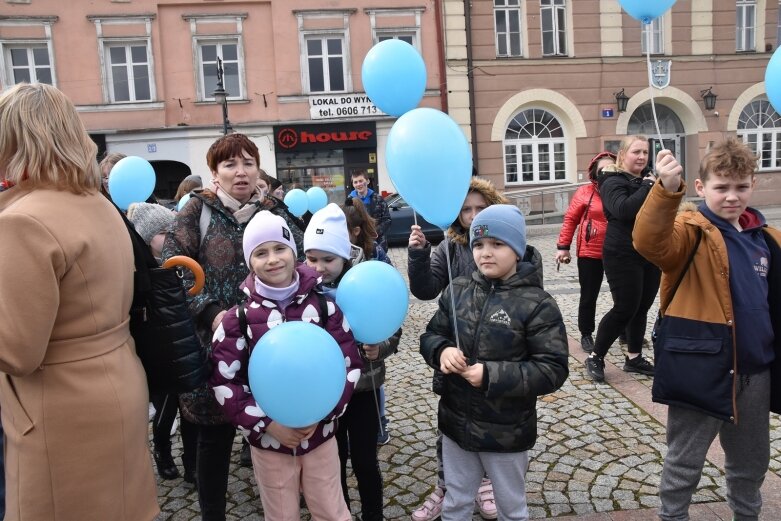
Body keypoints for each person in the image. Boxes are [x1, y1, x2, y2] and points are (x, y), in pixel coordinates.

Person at [0, 83, 159, 520]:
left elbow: (16, 349)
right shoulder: (99, 204)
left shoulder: (21, 221)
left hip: (60, 407)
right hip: (117, 381)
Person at [633, 140, 781, 520]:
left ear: (752, 184)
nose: (732, 197)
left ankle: (747, 515)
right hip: (700, 366)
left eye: (741, 187)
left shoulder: (767, 239)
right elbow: (650, 242)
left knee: (751, 460)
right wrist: (665, 192)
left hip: (755, 371)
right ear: (701, 188)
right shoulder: (689, 231)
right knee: (685, 459)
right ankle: (673, 515)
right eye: (721, 187)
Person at [162, 132, 305, 521]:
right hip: (217, 345)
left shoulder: (275, 210)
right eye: (230, 164)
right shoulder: (197, 211)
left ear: (258, 168)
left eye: (247, 163)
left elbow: (305, 263)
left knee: (280, 425)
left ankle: (289, 504)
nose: (240, 173)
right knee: (215, 435)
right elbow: (173, 270)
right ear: (214, 173)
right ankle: (213, 513)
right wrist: (210, 314)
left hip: (273, 344)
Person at [210, 210, 363, 520]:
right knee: (281, 515)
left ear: (294, 254)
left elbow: (348, 365)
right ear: (248, 261)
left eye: (280, 249)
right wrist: (269, 425)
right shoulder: (237, 320)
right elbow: (226, 382)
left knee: (332, 510)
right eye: (261, 252)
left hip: (320, 435)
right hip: (270, 442)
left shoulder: (324, 308)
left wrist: (323, 415)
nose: (273, 259)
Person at [420, 204, 569, 520]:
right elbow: (431, 335)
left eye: (497, 244)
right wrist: (442, 351)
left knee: (511, 507)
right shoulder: (458, 290)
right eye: (478, 244)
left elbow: (552, 369)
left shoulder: (538, 304)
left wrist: (492, 375)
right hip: (455, 423)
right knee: (456, 502)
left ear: (516, 249)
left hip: (506, 432)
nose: (486, 252)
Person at [407, 177, 512, 521]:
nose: (473, 215)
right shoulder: (449, 248)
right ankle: (446, 486)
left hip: (495, 355)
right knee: (451, 424)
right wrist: (419, 254)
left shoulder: (507, 246)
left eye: (480, 208)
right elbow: (425, 289)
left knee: (489, 421)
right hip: (456, 352)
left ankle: (485, 484)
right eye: (466, 209)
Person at [304, 202, 399, 520]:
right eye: (311, 258)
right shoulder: (303, 289)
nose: (318, 267)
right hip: (326, 393)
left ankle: (374, 514)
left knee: (364, 459)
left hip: (363, 388)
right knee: (334, 460)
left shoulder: (367, 276)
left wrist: (381, 346)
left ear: (345, 255)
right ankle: (340, 512)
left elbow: (391, 322)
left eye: (327, 259)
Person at [128, 202, 197, 483]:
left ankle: (191, 460)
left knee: (189, 403)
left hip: (183, 338)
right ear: (146, 238)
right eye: (163, 232)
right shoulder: (142, 273)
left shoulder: (181, 263)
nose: (171, 237)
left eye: (173, 230)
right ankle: (163, 451)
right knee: (167, 404)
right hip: (160, 345)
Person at [584, 135, 658, 382]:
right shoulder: (612, 180)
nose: (641, 157)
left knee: (641, 308)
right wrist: (648, 186)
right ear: (623, 154)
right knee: (625, 308)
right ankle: (596, 356)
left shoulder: (648, 179)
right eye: (636, 152)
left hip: (649, 251)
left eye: (645, 153)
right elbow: (624, 210)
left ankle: (634, 358)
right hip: (621, 252)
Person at [343, 196, 393, 444]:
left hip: (373, 326)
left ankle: (379, 421)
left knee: (372, 379)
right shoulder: (335, 257)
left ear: (355, 231)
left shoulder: (375, 253)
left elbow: (389, 289)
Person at [555, 151, 616, 352]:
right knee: (589, 295)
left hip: (618, 251)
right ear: (595, 172)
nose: (607, 173)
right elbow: (571, 219)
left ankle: (625, 331)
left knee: (624, 296)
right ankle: (586, 333)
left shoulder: (622, 189)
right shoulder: (584, 192)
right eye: (603, 170)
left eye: (612, 169)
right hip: (590, 252)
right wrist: (563, 247)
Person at [348, 170, 391, 251]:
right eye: (355, 182)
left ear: (367, 181)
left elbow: (387, 220)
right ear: (353, 184)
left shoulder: (378, 199)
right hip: (359, 244)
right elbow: (348, 222)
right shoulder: (349, 201)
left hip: (378, 243)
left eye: (361, 181)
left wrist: (374, 232)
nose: (358, 184)